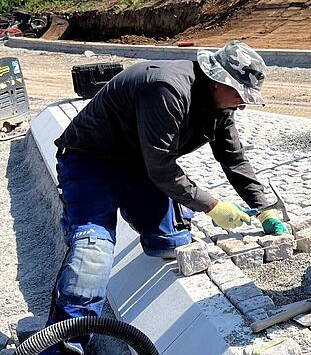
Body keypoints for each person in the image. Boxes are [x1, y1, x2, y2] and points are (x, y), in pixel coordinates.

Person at [46, 41, 286, 354]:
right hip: (91, 162)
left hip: (138, 165)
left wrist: (263, 207)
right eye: (240, 95)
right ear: (218, 81)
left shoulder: (219, 106)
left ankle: (164, 229)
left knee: (171, 241)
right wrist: (213, 205)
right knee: (93, 252)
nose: (242, 105)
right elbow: (161, 168)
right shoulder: (167, 88)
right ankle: (63, 344)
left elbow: (233, 158)